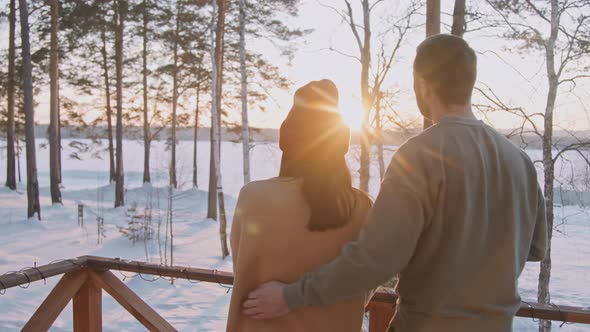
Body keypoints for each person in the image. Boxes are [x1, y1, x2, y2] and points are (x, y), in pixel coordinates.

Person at [242, 34, 548, 332]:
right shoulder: (519, 160)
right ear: (469, 83)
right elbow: (535, 248)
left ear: (423, 85)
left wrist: (290, 296)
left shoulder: (419, 156)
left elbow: (376, 261)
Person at [226, 79, 374, 332]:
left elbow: (243, 264)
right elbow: (365, 285)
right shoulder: (360, 208)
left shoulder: (253, 198)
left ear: (288, 138)